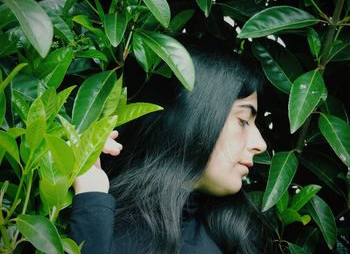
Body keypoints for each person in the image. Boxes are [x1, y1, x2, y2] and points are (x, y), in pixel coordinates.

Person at [69, 38, 274, 254]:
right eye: (243, 121)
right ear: (190, 119)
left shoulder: (236, 232)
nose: (259, 144)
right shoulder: (112, 225)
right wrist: (92, 192)